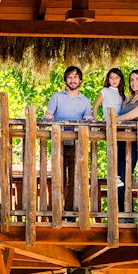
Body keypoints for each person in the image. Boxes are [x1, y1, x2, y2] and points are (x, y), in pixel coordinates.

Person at [44, 65, 92, 210]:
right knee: (58, 178)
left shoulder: (85, 100)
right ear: (65, 80)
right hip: (59, 143)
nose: (72, 80)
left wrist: (89, 120)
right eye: (70, 77)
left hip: (77, 145)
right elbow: (49, 116)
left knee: (73, 179)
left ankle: (69, 211)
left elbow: (87, 119)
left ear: (80, 80)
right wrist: (47, 117)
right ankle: (56, 209)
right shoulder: (56, 97)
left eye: (75, 77)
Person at [113, 69, 138, 212]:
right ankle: (119, 212)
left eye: (137, 79)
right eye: (131, 79)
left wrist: (111, 120)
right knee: (115, 177)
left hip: (135, 142)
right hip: (119, 141)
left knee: (124, 175)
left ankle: (126, 212)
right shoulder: (128, 100)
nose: (133, 82)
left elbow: (130, 116)